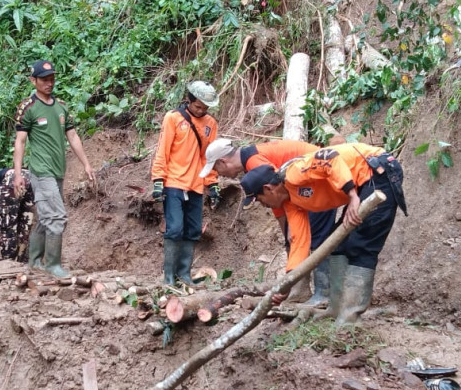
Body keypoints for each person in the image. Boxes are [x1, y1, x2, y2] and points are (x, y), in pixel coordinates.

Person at [240, 143, 407, 324]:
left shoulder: (294, 173)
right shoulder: (291, 203)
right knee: (337, 245)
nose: (263, 205)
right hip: (361, 185)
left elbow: (330, 157)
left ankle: (350, 318)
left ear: (268, 188)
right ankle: (335, 310)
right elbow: (299, 244)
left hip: (376, 171)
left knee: (361, 245)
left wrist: (352, 196)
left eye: (260, 199)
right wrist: (286, 286)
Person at [199, 138, 336, 306]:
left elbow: (276, 199)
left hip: (317, 181)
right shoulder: (251, 160)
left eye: (215, 169)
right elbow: (278, 202)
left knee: (316, 237)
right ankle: (301, 289)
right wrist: (286, 232)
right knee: (298, 239)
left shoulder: (254, 163)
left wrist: (288, 230)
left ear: (223, 161)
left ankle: (323, 293)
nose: (218, 174)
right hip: (304, 187)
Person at [12, 59, 96, 277]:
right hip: (41, 171)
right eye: (44, 80)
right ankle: (53, 264)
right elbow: (20, 142)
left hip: (58, 171)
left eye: (52, 79)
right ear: (34, 81)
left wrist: (86, 164)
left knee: (46, 218)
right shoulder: (28, 107)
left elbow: (73, 136)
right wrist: (18, 175)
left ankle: (34, 261)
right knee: (57, 217)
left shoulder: (61, 107)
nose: (49, 83)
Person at [151, 81, 221, 287]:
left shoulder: (210, 124)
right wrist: (158, 180)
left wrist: (212, 183)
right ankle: (169, 277)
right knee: (174, 229)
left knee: (192, 230)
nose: (201, 111)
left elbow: (209, 157)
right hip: (174, 182)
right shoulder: (173, 118)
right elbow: (163, 150)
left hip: (196, 185)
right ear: (188, 100)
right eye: (198, 106)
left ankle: (185, 275)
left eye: (205, 108)